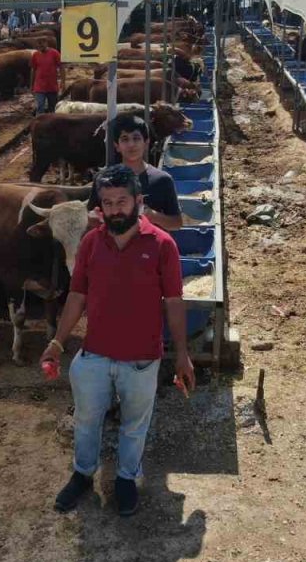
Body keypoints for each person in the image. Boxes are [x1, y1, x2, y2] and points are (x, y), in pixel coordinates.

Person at [41, 164, 196, 517]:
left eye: (122, 201)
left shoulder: (162, 245)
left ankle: (126, 478)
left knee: (134, 424)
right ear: (100, 207)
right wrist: (57, 342)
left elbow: (173, 301)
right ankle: (83, 474)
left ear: (138, 201)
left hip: (141, 357)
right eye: (107, 203)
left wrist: (182, 354)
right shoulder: (91, 243)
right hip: (94, 353)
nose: (115, 209)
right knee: (86, 419)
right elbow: (77, 296)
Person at [87, 114, 182, 232]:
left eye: (136, 138)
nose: (131, 144)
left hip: (149, 247)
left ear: (146, 143)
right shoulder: (102, 178)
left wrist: (154, 216)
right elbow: (91, 214)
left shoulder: (162, 180)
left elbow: (177, 222)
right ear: (117, 146)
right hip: (113, 247)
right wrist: (93, 218)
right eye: (125, 139)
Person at [29, 41, 64, 115]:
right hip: (39, 86)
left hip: (52, 86)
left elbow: (61, 67)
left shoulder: (54, 53)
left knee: (53, 108)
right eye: (39, 45)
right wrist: (31, 85)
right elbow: (33, 70)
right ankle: (40, 124)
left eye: (42, 44)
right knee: (40, 106)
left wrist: (63, 82)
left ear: (46, 44)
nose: (40, 46)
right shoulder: (35, 55)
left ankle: (52, 124)